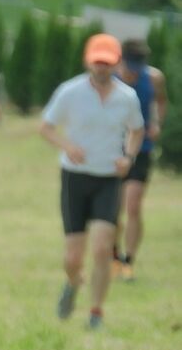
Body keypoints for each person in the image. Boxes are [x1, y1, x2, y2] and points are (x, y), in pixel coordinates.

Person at [40, 33, 144, 330]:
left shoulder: (126, 97)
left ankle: (96, 311)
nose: (101, 68)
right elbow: (46, 127)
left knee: (101, 248)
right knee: (73, 257)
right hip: (75, 179)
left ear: (116, 63)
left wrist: (129, 156)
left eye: (107, 63)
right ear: (88, 61)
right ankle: (73, 284)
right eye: (97, 62)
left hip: (108, 179)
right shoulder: (69, 91)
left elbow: (137, 130)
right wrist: (67, 146)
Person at [113, 38, 168, 281]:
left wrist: (157, 123)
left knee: (133, 206)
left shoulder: (154, 78)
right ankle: (113, 256)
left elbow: (161, 101)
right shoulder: (111, 77)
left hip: (142, 148)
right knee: (113, 210)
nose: (134, 69)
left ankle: (129, 259)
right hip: (112, 149)